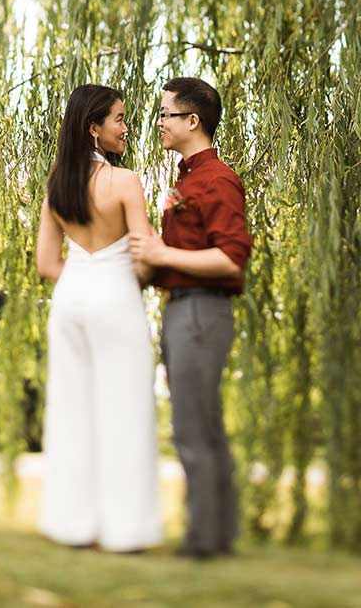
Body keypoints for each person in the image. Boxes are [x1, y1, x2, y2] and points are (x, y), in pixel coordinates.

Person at [34, 83, 164, 552]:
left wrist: (84, 277)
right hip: (114, 297)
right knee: (125, 410)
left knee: (72, 410)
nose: (127, 128)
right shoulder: (125, 182)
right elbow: (145, 257)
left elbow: (47, 265)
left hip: (70, 300)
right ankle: (127, 531)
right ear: (94, 128)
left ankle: (72, 524)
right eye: (120, 119)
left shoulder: (57, 185)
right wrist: (143, 272)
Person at [129, 77, 252, 560]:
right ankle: (219, 535)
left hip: (201, 309)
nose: (158, 122)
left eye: (165, 114)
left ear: (192, 121)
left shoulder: (216, 179)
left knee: (192, 428)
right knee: (205, 425)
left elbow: (231, 259)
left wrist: (162, 252)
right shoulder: (187, 179)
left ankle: (202, 541)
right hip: (187, 307)